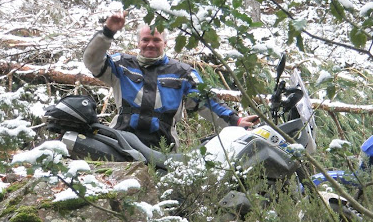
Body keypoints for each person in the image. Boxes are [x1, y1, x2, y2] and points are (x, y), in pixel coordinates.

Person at [83, 11, 259, 149]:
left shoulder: (183, 73)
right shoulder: (121, 65)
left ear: (165, 43)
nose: (150, 44)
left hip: (164, 147)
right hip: (121, 141)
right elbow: (92, 61)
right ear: (138, 43)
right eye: (145, 39)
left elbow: (207, 101)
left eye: (156, 40)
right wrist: (108, 32)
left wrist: (235, 121)